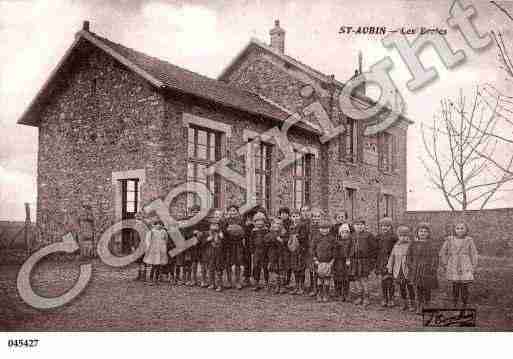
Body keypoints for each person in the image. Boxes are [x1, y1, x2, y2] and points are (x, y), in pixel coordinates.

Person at [439, 221, 478, 308]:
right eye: (457, 228)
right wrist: (445, 264)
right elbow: (442, 252)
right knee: (455, 284)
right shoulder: (450, 240)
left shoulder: (469, 240)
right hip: (453, 264)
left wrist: (473, 266)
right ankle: (455, 302)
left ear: (466, 230)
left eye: (462, 228)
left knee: (465, 285)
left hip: (465, 265)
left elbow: (474, 253)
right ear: (454, 229)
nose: (460, 230)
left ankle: (464, 303)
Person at [348, 218, 377, 306]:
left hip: (365, 261)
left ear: (364, 226)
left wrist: (372, 260)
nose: (359, 226)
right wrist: (349, 259)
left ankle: (366, 297)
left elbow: (374, 249)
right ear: (354, 226)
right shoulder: (352, 236)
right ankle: (359, 297)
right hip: (354, 261)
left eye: (361, 224)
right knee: (356, 279)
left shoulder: (369, 235)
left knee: (364, 279)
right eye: (357, 225)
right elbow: (349, 248)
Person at [387, 225, 415, 311]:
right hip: (398, 270)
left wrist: (413, 268)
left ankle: (412, 304)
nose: (403, 238)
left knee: (410, 287)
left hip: (408, 270)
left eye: (405, 236)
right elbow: (392, 257)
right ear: (398, 236)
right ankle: (404, 303)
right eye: (401, 236)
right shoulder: (396, 246)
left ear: (409, 236)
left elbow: (413, 258)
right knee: (402, 287)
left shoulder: (411, 246)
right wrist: (390, 267)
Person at [375, 217, 398, 307]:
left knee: (390, 281)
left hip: (391, 260)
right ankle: (384, 298)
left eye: (387, 226)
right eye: (383, 226)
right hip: (381, 260)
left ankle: (391, 298)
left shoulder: (394, 237)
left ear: (391, 227)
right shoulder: (378, 237)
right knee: (383, 281)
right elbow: (375, 249)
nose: (385, 228)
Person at [313, 219, 336, 302]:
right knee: (319, 278)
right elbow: (312, 249)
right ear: (319, 229)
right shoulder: (316, 238)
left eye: (326, 228)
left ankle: (326, 293)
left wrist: (332, 261)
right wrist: (315, 259)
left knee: (327, 278)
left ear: (329, 229)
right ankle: (319, 293)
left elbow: (334, 250)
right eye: (322, 228)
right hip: (319, 262)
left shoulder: (332, 239)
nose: (324, 230)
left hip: (328, 262)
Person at [224, 204, 246, 289]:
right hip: (228, 244)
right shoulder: (225, 221)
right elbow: (223, 231)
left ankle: (238, 281)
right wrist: (227, 230)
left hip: (238, 244)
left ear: (237, 212)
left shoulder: (241, 221)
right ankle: (229, 281)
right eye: (230, 210)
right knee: (228, 262)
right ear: (228, 212)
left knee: (238, 262)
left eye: (234, 211)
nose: (232, 212)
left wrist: (237, 230)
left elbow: (244, 233)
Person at [267, 218, 290, 294]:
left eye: (279, 224)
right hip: (273, 255)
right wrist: (275, 238)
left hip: (282, 255)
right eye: (275, 223)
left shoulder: (284, 233)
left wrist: (282, 240)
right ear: (272, 225)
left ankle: (282, 285)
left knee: (282, 269)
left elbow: (287, 241)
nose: (277, 225)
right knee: (275, 269)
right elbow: (266, 240)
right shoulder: (270, 233)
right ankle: (276, 285)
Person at [248, 212, 269, 291]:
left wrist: (268, 250)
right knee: (256, 266)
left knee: (265, 267)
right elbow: (251, 241)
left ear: (264, 221)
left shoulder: (266, 230)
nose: (259, 223)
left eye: (261, 221)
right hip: (256, 251)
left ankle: (266, 282)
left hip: (265, 251)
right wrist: (252, 250)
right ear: (254, 222)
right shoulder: (253, 231)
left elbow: (268, 240)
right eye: (257, 221)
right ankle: (256, 282)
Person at [289, 209, 307, 295]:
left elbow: (304, 237)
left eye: (297, 216)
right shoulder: (291, 227)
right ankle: (296, 286)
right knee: (295, 268)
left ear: (300, 217)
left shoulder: (302, 226)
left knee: (301, 269)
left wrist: (298, 236)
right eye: (293, 216)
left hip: (301, 250)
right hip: (293, 251)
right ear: (291, 217)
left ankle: (302, 286)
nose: (295, 218)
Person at [204, 218, 225, 292]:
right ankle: (211, 283)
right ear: (209, 226)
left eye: (216, 225)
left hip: (218, 253)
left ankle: (219, 284)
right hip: (210, 253)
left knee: (218, 269)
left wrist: (220, 236)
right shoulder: (207, 233)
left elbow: (223, 240)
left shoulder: (220, 233)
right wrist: (208, 239)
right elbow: (204, 242)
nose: (214, 226)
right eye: (212, 225)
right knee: (210, 268)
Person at [333, 222, 352, 301]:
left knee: (346, 278)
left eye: (346, 232)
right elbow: (334, 252)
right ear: (340, 233)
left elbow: (352, 251)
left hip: (347, 262)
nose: (344, 234)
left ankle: (346, 293)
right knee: (338, 277)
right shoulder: (337, 242)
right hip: (338, 262)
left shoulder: (350, 242)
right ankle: (338, 293)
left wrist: (349, 258)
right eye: (343, 232)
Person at [307, 207, 323, 297]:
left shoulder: (323, 227)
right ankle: (313, 287)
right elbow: (309, 239)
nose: (316, 218)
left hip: (321, 251)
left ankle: (320, 288)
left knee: (320, 271)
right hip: (312, 250)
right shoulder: (311, 227)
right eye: (314, 216)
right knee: (312, 270)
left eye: (318, 216)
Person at [278, 207, 293, 289]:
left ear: (288, 214)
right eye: (282, 213)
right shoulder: (278, 222)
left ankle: (287, 280)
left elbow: (291, 236)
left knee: (288, 264)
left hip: (287, 247)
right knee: (281, 263)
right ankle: (282, 281)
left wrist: (284, 240)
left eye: (285, 213)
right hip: (280, 247)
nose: (283, 215)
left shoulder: (290, 223)